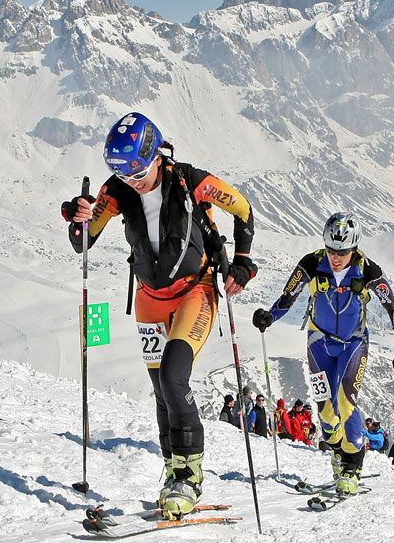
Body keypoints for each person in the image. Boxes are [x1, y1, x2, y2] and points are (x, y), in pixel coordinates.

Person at [62, 112, 257, 518]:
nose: (130, 177)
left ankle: (190, 477)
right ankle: (173, 470)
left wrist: (241, 262)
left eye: (135, 167)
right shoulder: (115, 190)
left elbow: (243, 209)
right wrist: (78, 215)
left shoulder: (191, 180)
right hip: (150, 300)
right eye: (119, 169)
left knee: (173, 376)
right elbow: (83, 241)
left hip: (195, 293)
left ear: (154, 154)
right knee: (160, 391)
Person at [252, 212, 394, 495]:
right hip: (319, 343)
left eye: (343, 251)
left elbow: (393, 307)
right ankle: (338, 451)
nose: (336, 257)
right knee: (325, 410)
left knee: (346, 403)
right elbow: (288, 296)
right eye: (331, 251)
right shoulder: (311, 264)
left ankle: (353, 464)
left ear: (354, 248)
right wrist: (270, 316)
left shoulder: (368, 270)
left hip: (354, 344)